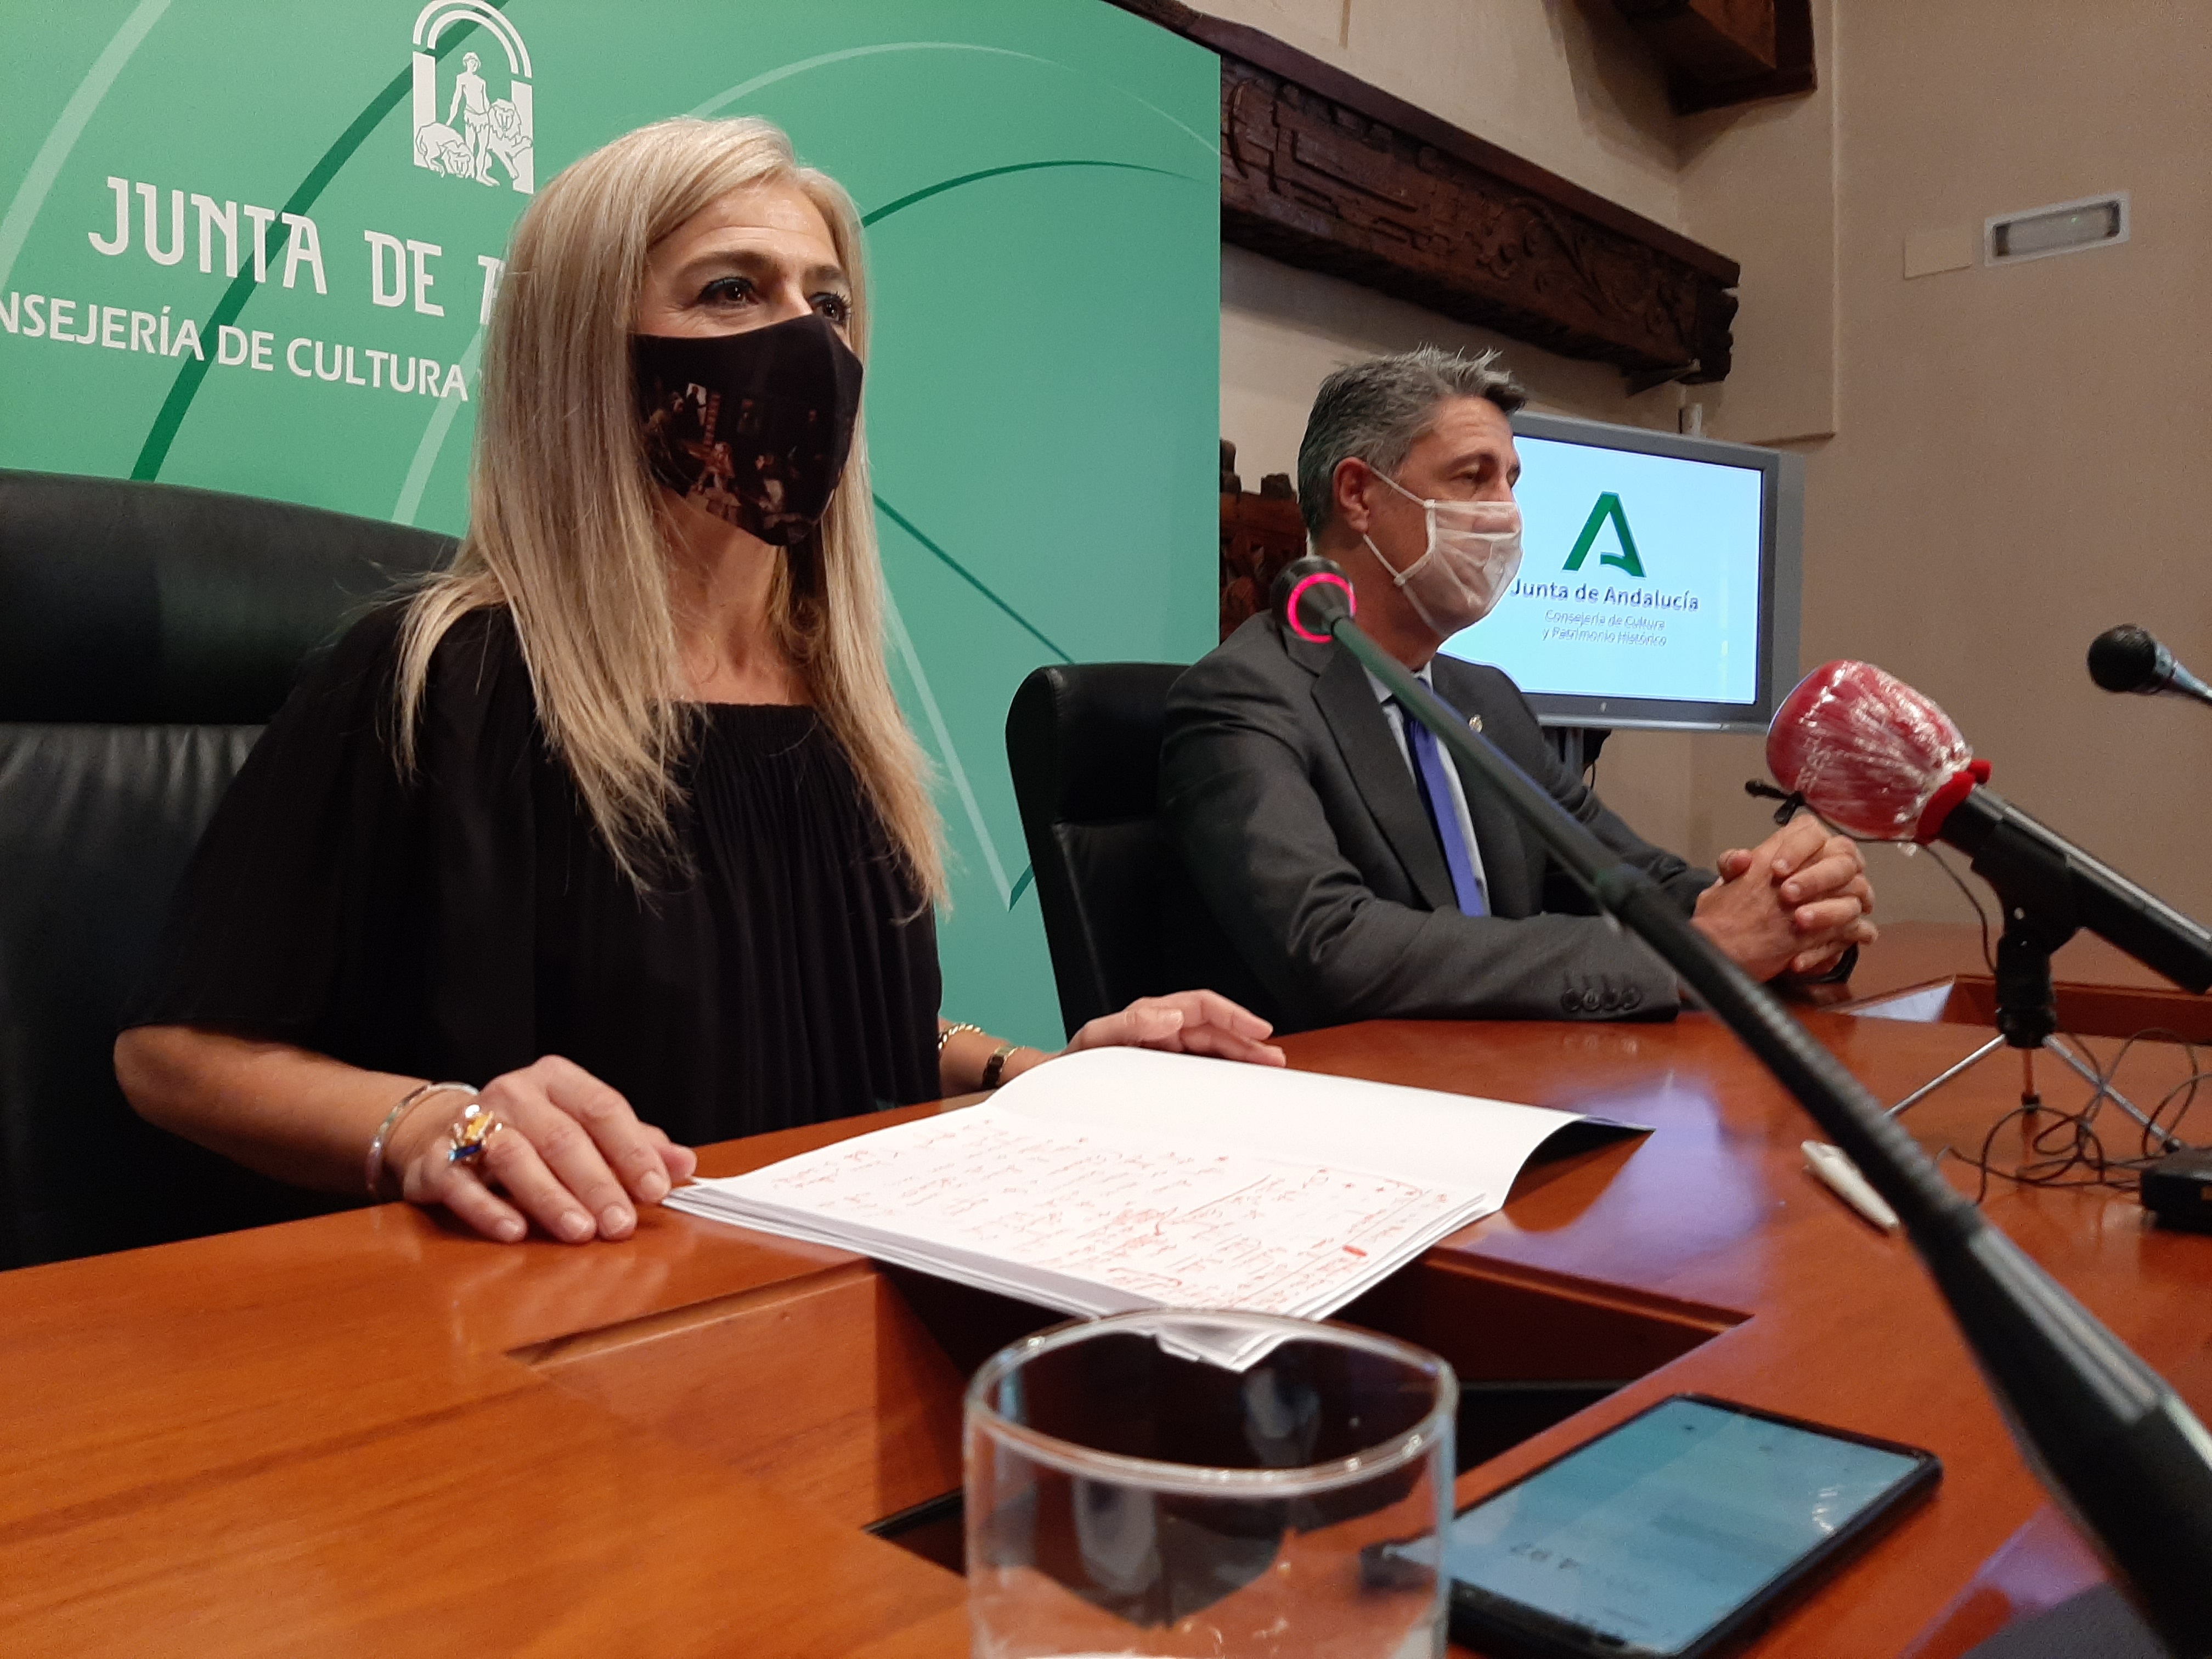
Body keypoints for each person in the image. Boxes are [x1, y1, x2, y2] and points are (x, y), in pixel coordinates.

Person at [115, 117, 1281, 1247]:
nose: (808, 341)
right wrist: (436, 1126)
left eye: (828, 303)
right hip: (574, 1312)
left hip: (824, 1289)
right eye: (732, 290)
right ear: (588, 351)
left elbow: (804, 1024)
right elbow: (174, 1056)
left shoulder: (833, 697)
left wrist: (1037, 1075)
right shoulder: (440, 679)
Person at [1160, 347, 1875, 1033]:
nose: (1507, 512)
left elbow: (1630, 880)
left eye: (1511, 481)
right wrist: (1696, 954)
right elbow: (1331, 946)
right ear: (1358, 495)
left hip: (1511, 1073)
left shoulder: (1487, 699)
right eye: (1473, 477)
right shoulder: (1244, 697)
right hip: (1346, 1093)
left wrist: (1793, 914)